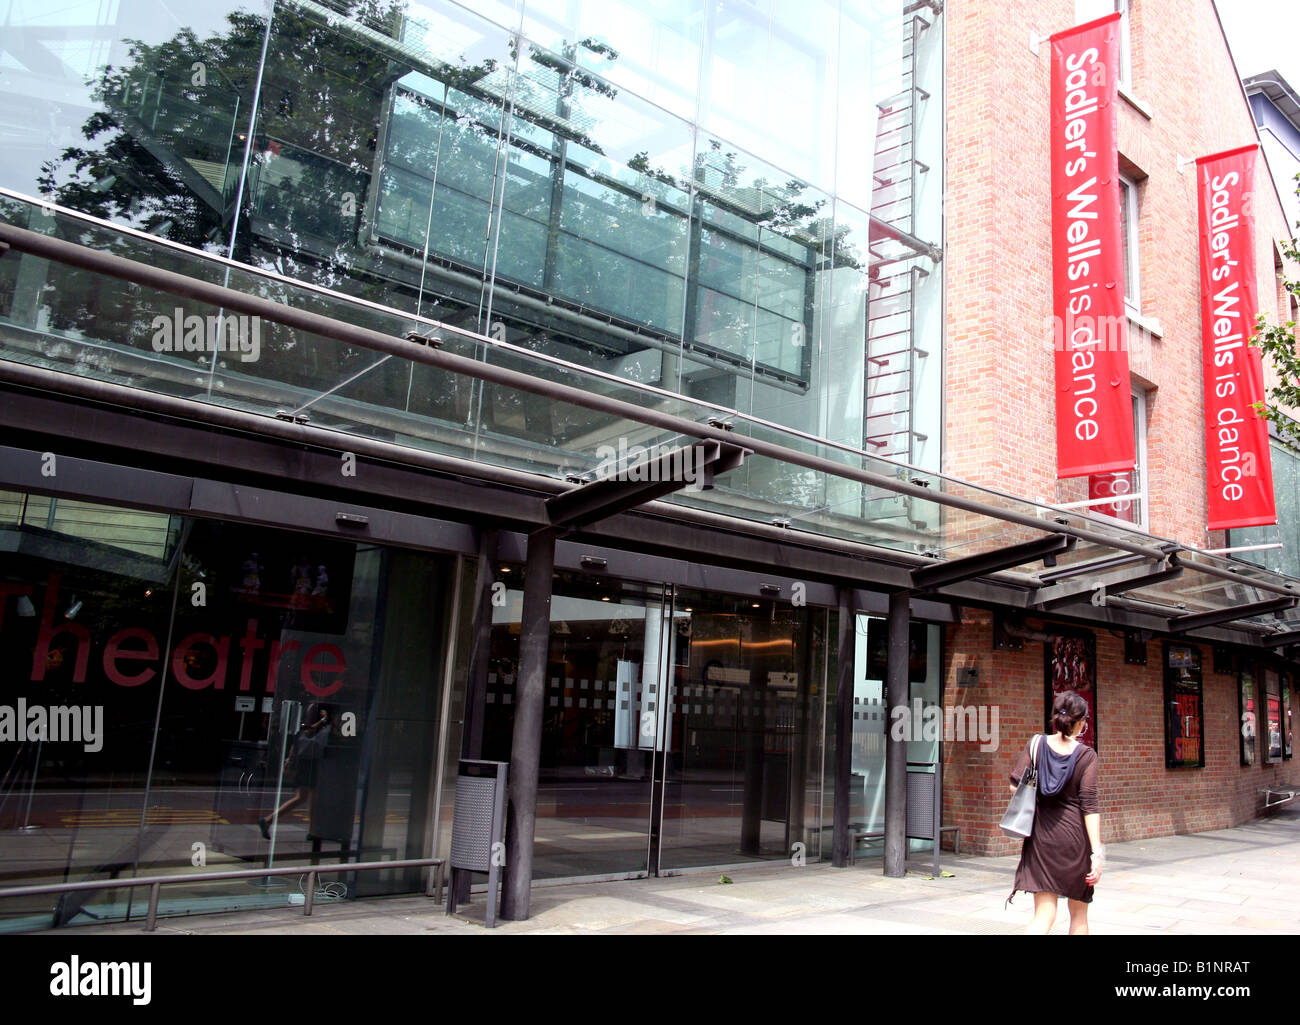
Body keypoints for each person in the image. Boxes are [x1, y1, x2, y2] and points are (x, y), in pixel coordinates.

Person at [1006, 690, 1102, 934]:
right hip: (1075, 842)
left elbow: (1014, 786)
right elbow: (1089, 805)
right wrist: (1096, 853)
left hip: (1041, 840)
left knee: (1043, 915)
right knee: (1079, 917)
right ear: (1080, 722)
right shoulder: (1086, 756)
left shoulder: (1036, 744)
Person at [259, 703, 331, 839]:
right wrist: (324, 720)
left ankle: (270, 820)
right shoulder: (314, 728)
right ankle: (270, 820)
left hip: (305, 764)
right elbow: (310, 734)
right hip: (310, 765)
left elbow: (294, 746)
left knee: (306, 797)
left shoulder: (304, 728)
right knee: (307, 798)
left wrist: (288, 761)